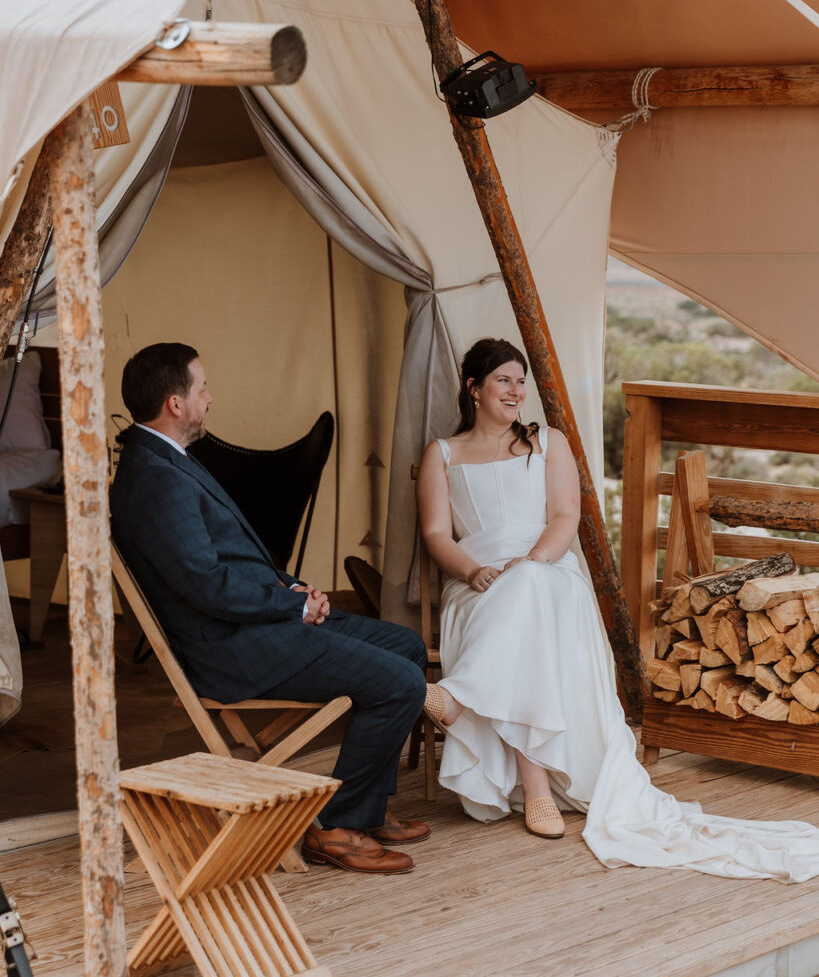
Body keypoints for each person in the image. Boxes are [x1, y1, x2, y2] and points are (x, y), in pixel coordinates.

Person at [416, 336, 819, 880]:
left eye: (520, 381)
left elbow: (564, 518)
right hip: (479, 584)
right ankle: (532, 784)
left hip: (549, 572)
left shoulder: (546, 443)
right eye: (503, 381)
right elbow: (437, 534)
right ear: (474, 387)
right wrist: (473, 571)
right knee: (521, 608)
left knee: (533, 591)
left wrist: (530, 564)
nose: (516, 392)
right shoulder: (443, 453)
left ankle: (467, 707)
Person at [111, 342, 429, 875]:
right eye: (201, 388)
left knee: (407, 645)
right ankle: (335, 826)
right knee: (400, 682)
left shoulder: (168, 459)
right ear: (174, 403)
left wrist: (298, 589)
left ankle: (366, 807)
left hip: (259, 624)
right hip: (234, 649)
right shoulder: (153, 479)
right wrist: (290, 609)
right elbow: (207, 585)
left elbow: (236, 555)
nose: (210, 399)